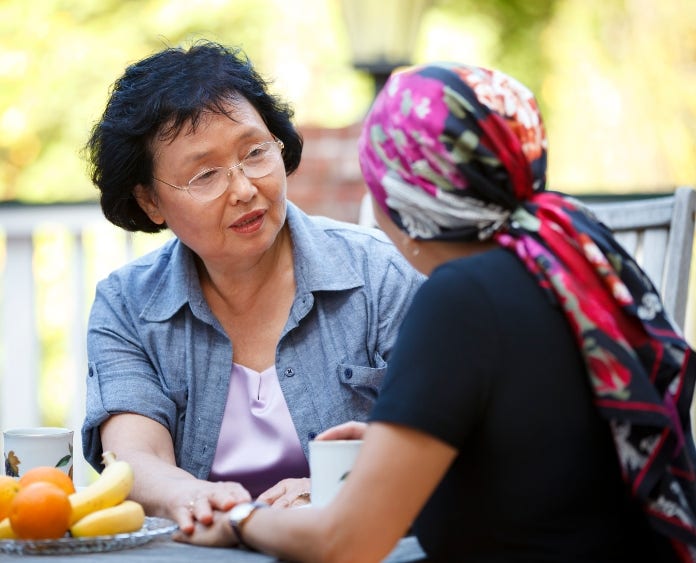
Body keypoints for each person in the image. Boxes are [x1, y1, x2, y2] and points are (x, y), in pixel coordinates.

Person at [174, 62, 696, 561]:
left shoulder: (461, 298)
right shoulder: (569, 257)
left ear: (401, 202)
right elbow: (541, 447)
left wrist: (240, 517)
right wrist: (397, 444)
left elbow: (345, 542)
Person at [80, 40, 423, 537]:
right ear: (151, 201)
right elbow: (134, 455)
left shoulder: (379, 276)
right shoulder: (128, 305)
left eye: (255, 152)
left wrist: (326, 490)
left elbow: (437, 440)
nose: (243, 188)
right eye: (205, 174)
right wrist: (197, 499)